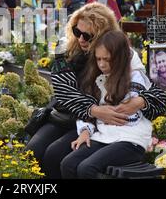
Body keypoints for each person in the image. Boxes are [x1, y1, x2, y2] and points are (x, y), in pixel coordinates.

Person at [25, 2, 166, 178]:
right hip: (67, 115)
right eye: (77, 31)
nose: (81, 39)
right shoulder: (65, 50)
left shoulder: (121, 54)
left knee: (55, 154)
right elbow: (64, 91)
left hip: (93, 123)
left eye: (88, 35)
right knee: (32, 151)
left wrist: (139, 101)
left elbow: (148, 88)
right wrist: (95, 110)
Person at [60, 30, 152, 178]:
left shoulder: (135, 77)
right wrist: (86, 130)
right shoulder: (98, 76)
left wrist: (99, 112)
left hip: (130, 139)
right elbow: (89, 107)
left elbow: (124, 117)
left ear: (120, 58)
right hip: (104, 134)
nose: (102, 64)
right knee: (68, 163)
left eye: (107, 59)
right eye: (98, 59)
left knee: (86, 168)